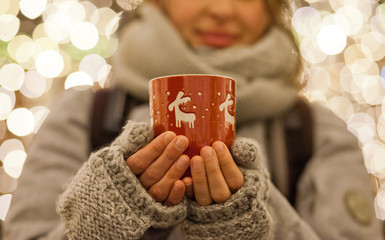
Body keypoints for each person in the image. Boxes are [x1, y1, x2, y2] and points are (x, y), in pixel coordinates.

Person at [2, 0, 383, 239]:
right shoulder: (82, 117)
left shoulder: (319, 133)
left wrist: (255, 226)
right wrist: (99, 223)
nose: (221, 9)